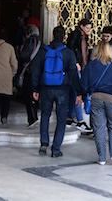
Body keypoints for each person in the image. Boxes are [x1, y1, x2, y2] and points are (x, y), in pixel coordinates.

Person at [30, 25, 84, 157]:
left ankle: (43, 143)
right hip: (63, 90)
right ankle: (56, 149)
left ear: (53, 36)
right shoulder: (68, 53)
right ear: (64, 37)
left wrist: (35, 88)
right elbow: (73, 73)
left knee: (45, 115)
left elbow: (35, 70)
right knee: (61, 119)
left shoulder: (43, 51)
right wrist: (79, 91)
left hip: (46, 89)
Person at [81, 39, 112, 165]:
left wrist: (85, 95)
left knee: (99, 128)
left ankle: (101, 158)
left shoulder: (91, 65)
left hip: (96, 97)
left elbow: (84, 83)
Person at [66, 17, 93, 132]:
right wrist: (75, 62)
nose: (88, 30)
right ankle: (80, 120)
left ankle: (70, 118)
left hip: (81, 67)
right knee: (78, 93)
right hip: (76, 67)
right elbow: (71, 49)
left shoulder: (84, 38)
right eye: (87, 28)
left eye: (90, 28)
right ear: (81, 27)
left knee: (74, 92)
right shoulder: (76, 36)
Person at [17, 23, 42, 126]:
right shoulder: (41, 43)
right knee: (35, 94)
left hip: (30, 71)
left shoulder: (30, 42)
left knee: (28, 95)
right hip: (39, 72)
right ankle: (35, 115)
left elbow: (24, 56)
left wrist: (18, 51)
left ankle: (32, 118)